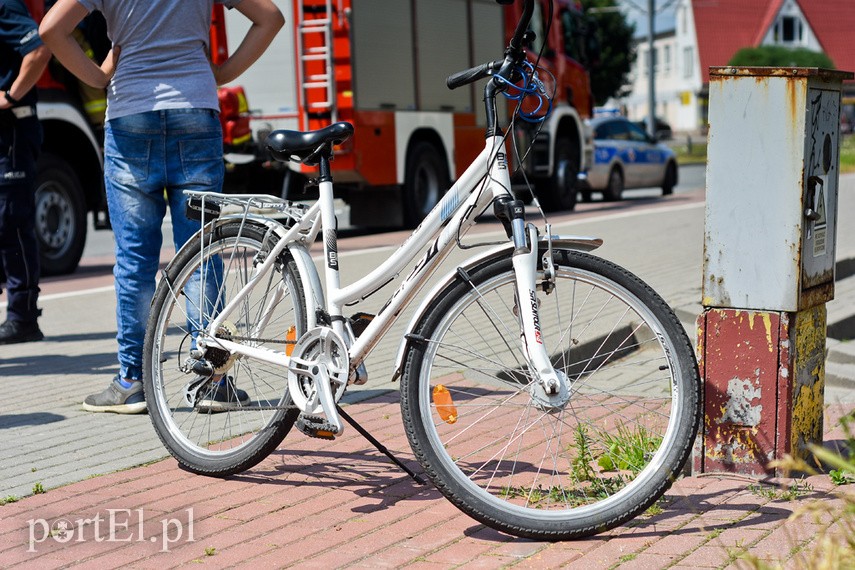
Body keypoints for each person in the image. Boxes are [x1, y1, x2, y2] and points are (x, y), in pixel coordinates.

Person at [40, 0, 284, 413]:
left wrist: (98, 77)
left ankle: (132, 381)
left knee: (135, 259)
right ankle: (212, 381)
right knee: (201, 253)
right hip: (195, 111)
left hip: (131, 116)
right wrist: (220, 74)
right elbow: (270, 18)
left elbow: (51, 30)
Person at [0, 0, 51, 345]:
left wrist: (10, 95)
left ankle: (23, 316)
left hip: (11, 132)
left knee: (11, 222)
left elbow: (39, 50)